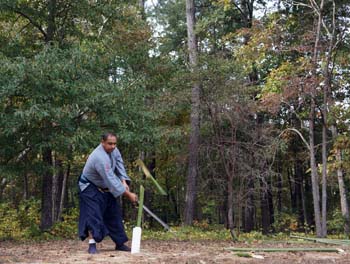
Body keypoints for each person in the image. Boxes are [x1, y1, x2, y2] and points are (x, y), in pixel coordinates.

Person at [78, 132, 138, 254]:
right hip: (89, 187)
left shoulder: (114, 150)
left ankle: (120, 243)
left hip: (105, 186)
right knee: (93, 215)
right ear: (103, 142)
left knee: (114, 213)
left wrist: (124, 181)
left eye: (115, 143)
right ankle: (92, 244)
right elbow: (110, 178)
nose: (113, 146)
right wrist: (129, 195)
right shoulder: (99, 157)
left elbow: (120, 165)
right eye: (110, 144)